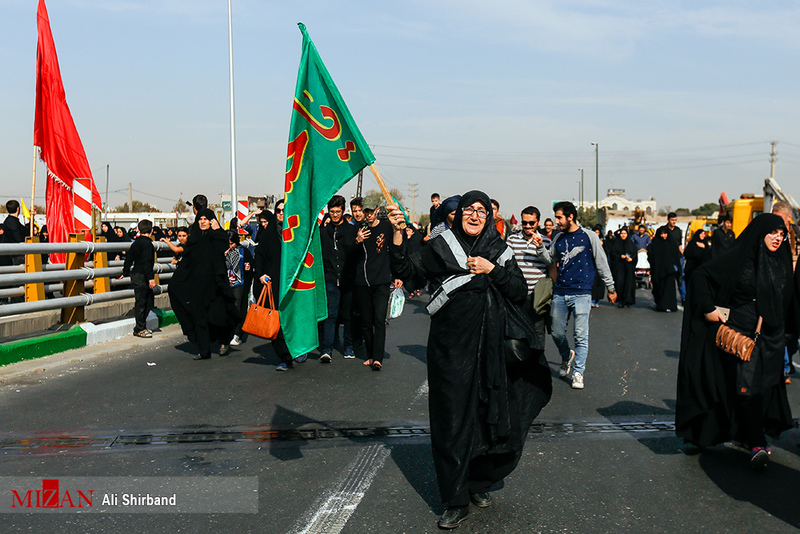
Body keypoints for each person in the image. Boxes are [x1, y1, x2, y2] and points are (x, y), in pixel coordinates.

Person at [387, 192, 552, 529]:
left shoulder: (499, 250)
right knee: (451, 418)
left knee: (487, 413)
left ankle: (478, 482)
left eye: (481, 211)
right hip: (450, 349)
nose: (474, 216)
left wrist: (492, 270)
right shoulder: (441, 246)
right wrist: (398, 233)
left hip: (493, 351)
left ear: (489, 216)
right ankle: (456, 498)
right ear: (458, 214)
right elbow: (406, 269)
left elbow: (520, 291)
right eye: (468, 210)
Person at [675, 214, 793, 468]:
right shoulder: (741, 259)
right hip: (742, 334)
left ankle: (744, 433)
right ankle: (756, 442)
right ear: (760, 233)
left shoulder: (780, 261)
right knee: (746, 386)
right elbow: (701, 276)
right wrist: (709, 309)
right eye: (773, 233)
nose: (778, 238)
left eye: (782, 234)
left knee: (765, 387)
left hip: (772, 337)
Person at [541, 202, 615, 389]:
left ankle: (578, 373)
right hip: (560, 293)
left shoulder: (589, 237)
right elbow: (550, 259)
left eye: (559, 217)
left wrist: (611, 287)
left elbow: (601, 262)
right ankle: (567, 357)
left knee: (581, 336)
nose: (556, 221)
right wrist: (539, 248)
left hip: (582, 293)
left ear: (570, 217)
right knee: (557, 333)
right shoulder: (558, 238)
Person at [168, 209, 239, 360]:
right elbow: (187, 261)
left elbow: (222, 247)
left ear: (212, 220)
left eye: (206, 219)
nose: (202, 222)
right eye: (200, 219)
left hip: (216, 285)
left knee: (219, 316)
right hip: (198, 286)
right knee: (199, 317)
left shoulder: (217, 236)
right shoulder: (194, 239)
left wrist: (218, 229)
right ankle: (204, 350)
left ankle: (224, 339)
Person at [353, 203, 402, 370]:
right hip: (363, 281)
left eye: (371, 211)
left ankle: (378, 357)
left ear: (377, 211)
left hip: (381, 281)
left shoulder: (386, 227)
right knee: (366, 321)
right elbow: (351, 255)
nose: (368, 214)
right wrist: (357, 241)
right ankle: (370, 354)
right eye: (365, 211)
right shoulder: (360, 229)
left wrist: (397, 275)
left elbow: (396, 250)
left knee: (379, 320)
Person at [252, 209, 296, 371]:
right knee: (276, 320)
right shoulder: (268, 234)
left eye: (285, 210)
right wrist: (261, 274)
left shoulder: (296, 232)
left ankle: (297, 349)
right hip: (274, 284)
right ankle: (284, 357)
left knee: (293, 318)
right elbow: (260, 256)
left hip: (294, 284)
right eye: (278, 210)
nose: (281, 213)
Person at [319, 195, 357, 360]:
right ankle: (327, 349)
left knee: (348, 315)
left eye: (338, 211)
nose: (335, 214)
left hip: (348, 279)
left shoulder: (351, 230)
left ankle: (348, 347)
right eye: (332, 211)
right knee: (330, 315)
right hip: (330, 278)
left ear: (343, 211)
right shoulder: (324, 232)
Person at [506, 206, 551, 342]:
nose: (528, 226)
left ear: (538, 222)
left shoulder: (546, 241)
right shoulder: (512, 240)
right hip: (517, 294)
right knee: (517, 333)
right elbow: (506, 263)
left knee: (537, 333)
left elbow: (550, 262)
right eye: (524, 223)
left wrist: (540, 247)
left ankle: (537, 362)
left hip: (538, 295)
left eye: (531, 223)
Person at [122, 219, 156, 338]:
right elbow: (147, 262)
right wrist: (151, 278)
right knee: (143, 303)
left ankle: (141, 326)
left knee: (145, 301)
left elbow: (129, 258)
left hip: (136, 275)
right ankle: (139, 329)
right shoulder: (147, 244)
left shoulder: (136, 243)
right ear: (151, 230)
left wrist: (125, 272)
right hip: (143, 276)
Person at [226, 230, 253, 347]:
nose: (230, 246)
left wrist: (248, 267)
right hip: (226, 283)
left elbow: (251, 264)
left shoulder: (244, 251)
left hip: (240, 283)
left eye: (232, 243)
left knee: (238, 306)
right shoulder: (222, 252)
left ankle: (237, 333)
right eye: (228, 244)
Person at [648, 226, 680, 312]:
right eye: (661, 234)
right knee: (659, 289)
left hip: (669, 271)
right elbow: (651, 257)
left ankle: (670, 306)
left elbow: (676, 257)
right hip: (658, 271)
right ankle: (661, 305)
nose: (663, 236)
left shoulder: (672, 244)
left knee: (669, 290)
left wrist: (676, 268)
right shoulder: (654, 244)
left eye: (665, 233)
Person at [610, 227, 637, 307]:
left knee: (628, 284)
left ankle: (627, 301)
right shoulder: (616, 243)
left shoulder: (631, 244)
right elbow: (612, 254)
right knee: (620, 283)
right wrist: (619, 256)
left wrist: (631, 259)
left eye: (625, 233)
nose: (623, 235)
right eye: (622, 233)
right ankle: (621, 300)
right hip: (619, 267)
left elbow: (635, 254)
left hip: (629, 267)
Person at [590, 225, 607, 307]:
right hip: (592, 264)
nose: (596, 234)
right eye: (595, 232)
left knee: (600, 283)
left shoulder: (604, 241)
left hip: (600, 264)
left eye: (598, 233)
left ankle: (598, 299)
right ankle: (592, 299)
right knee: (593, 282)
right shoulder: (590, 240)